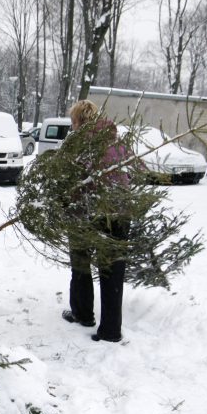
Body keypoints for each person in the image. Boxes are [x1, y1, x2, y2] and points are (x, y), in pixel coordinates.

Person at [60, 99, 131, 343]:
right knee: (112, 271)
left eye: (73, 121)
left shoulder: (80, 143)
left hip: (88, 212)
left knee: (80, 262)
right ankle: (111, 329)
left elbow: (71, 179)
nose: (72, 126)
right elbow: (130, 171)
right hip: (121, 212)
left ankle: (83, 313)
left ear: (79, 120)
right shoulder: (117, 140)